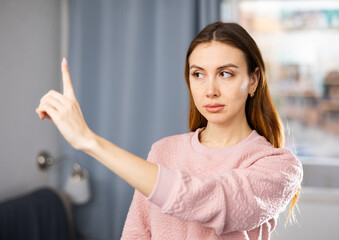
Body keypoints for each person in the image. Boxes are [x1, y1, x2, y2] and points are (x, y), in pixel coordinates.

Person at [36, 21, 303, 239]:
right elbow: (136, 234)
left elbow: (205, 199)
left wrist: (89, 141)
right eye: (198, 74)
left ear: (253, 80)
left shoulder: (278, 166)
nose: (210, 90)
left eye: (225, 73)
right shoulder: (163, 150)